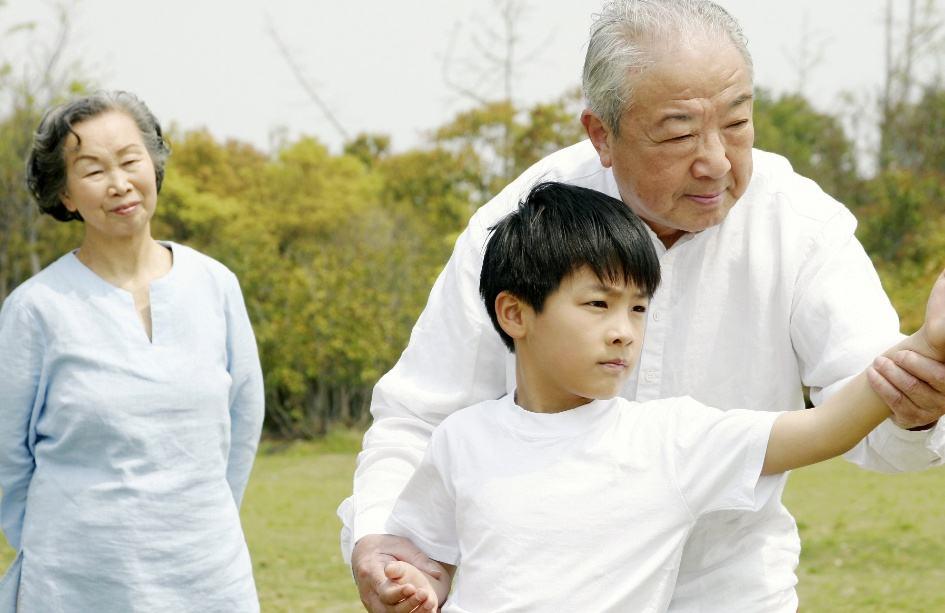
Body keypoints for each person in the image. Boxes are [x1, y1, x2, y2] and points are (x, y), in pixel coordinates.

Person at [339, 1, 945, 610]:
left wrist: (919, 389)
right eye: (679, 133)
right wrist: (384, 545)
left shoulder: (803, 227)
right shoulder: (518, 226)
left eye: (737, 123)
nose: (715, 160)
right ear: (602, 134)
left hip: (728, 590)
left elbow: (864, 414)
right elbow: (420, 418)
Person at [375, 181, 945, 611]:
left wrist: (926, 341)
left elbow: (827, 427)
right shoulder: (461, 440)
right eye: (598, 305)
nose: (625, 330)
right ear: (515, 313)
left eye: (639, 308)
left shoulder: (668, 441)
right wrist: (417, 585)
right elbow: (431, 557)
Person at [0, 91, 265, 612]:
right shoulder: (36, 309)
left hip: (208, 576)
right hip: (76, 584)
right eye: (93, 169)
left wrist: (197, 519)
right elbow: (6, 456)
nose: (119, 183)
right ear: (67, 194)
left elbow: (243, 416)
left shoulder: (215, 284)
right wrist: (63, 543)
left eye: (129, 160)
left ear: (154, 165)